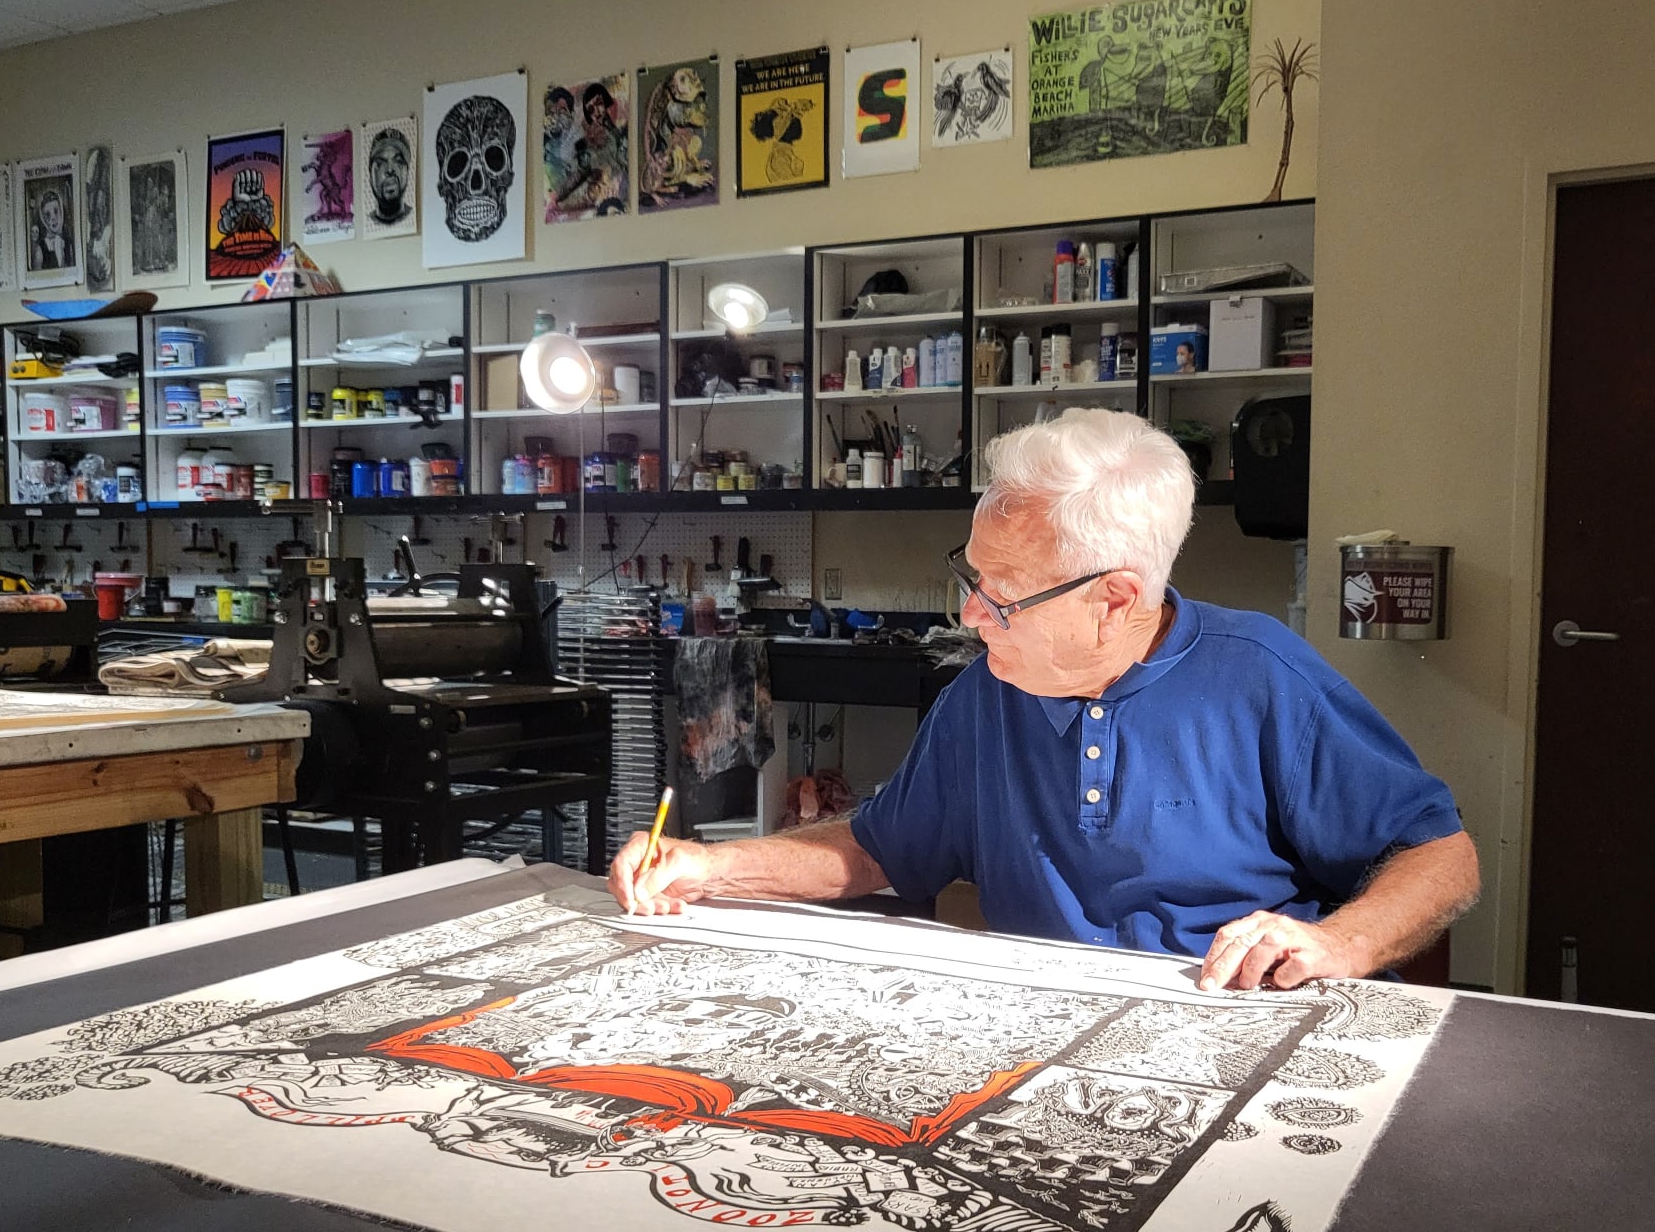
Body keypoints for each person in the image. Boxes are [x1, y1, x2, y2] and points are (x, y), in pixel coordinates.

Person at [610, 408, 1479, 992]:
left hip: (1234, 1019)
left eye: (1004, 593)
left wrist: (1340, 943)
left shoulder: (1261, 676)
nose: (969, 612)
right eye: (972, 576)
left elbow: (1442, 856)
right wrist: (712, 866)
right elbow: (878, 851)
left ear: (1117, 598)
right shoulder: (987, 693)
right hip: (1051, 1020)